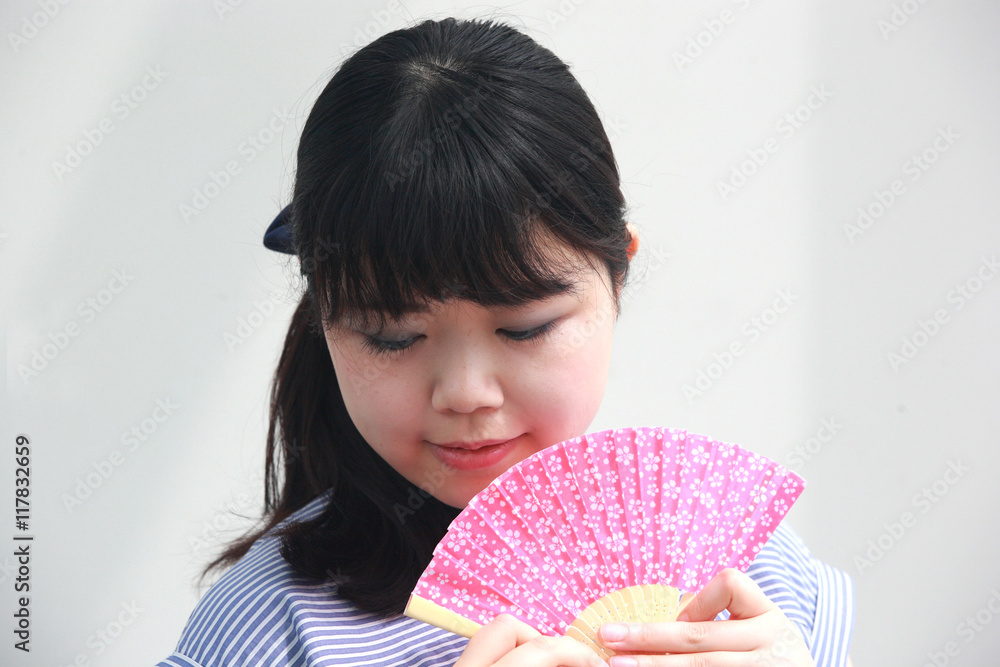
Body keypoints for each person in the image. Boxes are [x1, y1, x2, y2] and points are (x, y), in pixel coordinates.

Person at [156, 16, 854, 667]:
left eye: (525, 327)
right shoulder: (267, 628)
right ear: (324, 318)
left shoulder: (756, 578)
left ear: (618, 275)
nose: (465, 393)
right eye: (393, 336)